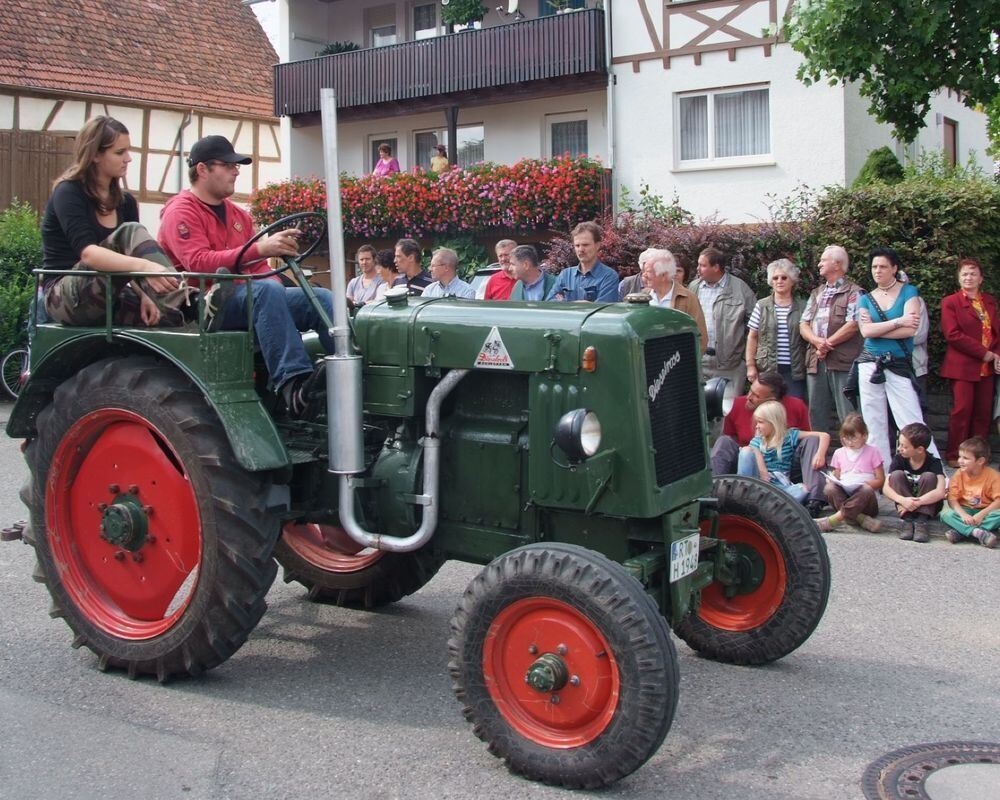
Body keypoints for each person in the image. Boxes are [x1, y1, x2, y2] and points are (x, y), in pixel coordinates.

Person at [158, 134, 335, 418]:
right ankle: (294, 385)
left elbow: (261, 269)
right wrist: (261, 249)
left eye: (236, 165)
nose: (236, 170)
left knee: (322, 298)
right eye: (227, 165)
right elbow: (197, 263)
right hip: (205, 303)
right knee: (267, 293)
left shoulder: (239, 216)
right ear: (202, 169)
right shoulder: (180, 212)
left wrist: (270, 272)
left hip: (249, 298)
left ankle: (353, 376)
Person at [41, 116, 184, 327]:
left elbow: (126, 265)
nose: (128, 158)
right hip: (64, 297)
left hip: (110, 292)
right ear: (95, 155)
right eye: (119, 152)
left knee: (168, 318)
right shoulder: (69, 192)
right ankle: (187, 298)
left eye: (128, 150)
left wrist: (144, 295)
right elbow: (89, 254)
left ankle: (190, 307)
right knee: (129, 232)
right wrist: (145, 266)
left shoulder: (126, 202)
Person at [856, 247, 938, 467]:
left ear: (894, 268)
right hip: (869, 363)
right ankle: (881, 472)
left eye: (883, 266)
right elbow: (866, 332)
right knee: (874, 422)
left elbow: (911, 329)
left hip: (898, 362)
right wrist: (897, 321)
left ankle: (933, 469)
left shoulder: (909, 291)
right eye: (874, 266)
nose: (878, 271)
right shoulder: (865, 298)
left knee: (911, 420)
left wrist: (880, 327)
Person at [710, 371, 828, 516]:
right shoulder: (736, 404)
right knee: (724, 441)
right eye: (750, 391)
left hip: (784, 467)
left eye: (756, 395)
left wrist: (820, 455)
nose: (749, 397)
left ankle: (814, 502)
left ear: (771, 400)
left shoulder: (796, 406)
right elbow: (732, 440)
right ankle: (713, 493)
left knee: (812, 440)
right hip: (748, 468)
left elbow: (806, 441)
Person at [940, 258, 1000, 467]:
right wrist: (984, 353)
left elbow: (996, 333)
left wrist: (996, 355)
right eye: (965, 274)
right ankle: (955, 455)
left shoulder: (990, 302)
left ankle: (978, 457)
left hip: (988, 368)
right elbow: (952, 334)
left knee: (983, 414)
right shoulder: (951, 302)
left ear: (981, 278)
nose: (969, 277)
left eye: (973, 274)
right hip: (962, 366)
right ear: (959, 278)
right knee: (962, 411)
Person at [799, 245, 863, 431]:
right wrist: (818, 342)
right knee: (816, 412)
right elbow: (803, 324)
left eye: (823, 260)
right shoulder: (816, 293)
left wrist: (827, 344)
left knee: (848, 413)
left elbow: (853, 325)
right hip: (816, 360)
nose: (819, 263)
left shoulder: (854, 292)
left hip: (843, 362)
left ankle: (853, 457)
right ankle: (818, 457)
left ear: (837, 264)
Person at [689, 247, 757, 402]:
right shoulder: (694, 287)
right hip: (700, 362)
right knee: (701, 411)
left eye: (702, 265)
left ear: (716, 267)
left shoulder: (740, 289)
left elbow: (756, 325)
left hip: (730, 365)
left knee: (727, 411)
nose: (698, 269)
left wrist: (745, 357)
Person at [737, 400, 830, 504]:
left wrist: (820, 454)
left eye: (761, 422)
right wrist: (763, 471)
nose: (756, 426)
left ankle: (769, 504)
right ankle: (743, 493)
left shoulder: (790, 436)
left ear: (773, 422)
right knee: (745, 451)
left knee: (803, 490)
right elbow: (752, 450)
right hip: (759, 484)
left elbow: (824, 435)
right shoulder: (757, 440)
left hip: (780, 488)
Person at [745, 258, 807, 400]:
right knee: (768, 409)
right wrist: (750, 366)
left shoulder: (803, 306)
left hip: (795, 370)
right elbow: (752, 336)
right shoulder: (762, 305)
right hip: (767, 369)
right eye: (775, 278)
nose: (779, 281)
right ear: (771, 281)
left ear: (792, 280)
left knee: (792, 408)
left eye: (784, 277)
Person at [816, 413, 885, 533]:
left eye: (853, 438)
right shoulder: (839, 453)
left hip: (865, 499)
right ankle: (861, 519)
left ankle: (834, 520)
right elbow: (837, 475)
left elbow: (880, 480)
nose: (849, 442)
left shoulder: (873, 452)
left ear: (864, 435)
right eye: (846, 438)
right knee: (829, 488)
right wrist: (832, 479)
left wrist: (864, 484)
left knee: (866, 490)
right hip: (846, 495)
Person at [881, 422, 947, 543]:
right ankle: (907, 520)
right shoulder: (899, 459)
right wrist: (903, 500)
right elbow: (886, 487)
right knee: (896, 475)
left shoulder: (933, 462)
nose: (900, 448)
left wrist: (918, 502)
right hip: (905, 504)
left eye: (904, 446)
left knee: (929, 477)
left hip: (927, 505)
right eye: (900, 444)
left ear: (920, 449)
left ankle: (922, 522)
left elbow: (941, 491)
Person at [641, 249, 707, 353]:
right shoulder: (642, 297)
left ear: (663, 275)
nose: (644, 275)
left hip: (676, 365)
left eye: (648, 271)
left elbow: (700, 339)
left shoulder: (688, 298)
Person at [939, 436, 1000, 548]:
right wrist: (963, 515)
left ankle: (962, 532)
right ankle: (977, 533)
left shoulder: (993, 476)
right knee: (945, 513)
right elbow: (952, 499)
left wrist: (981, 514)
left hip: (985, 511)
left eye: (966, 458)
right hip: (965, 509)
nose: (960, 461)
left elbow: (998, 501)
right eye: (960, 457)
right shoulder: (958, 474)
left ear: (980, 461)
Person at [547, 221, 619, 302]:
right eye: (577, 245)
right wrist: (578, 305)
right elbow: (550, 304)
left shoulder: (608, 277)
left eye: (585, 245)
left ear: (597, 245)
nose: (580, 250)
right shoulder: (565, 275)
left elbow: (604, 310)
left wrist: (567, 304)